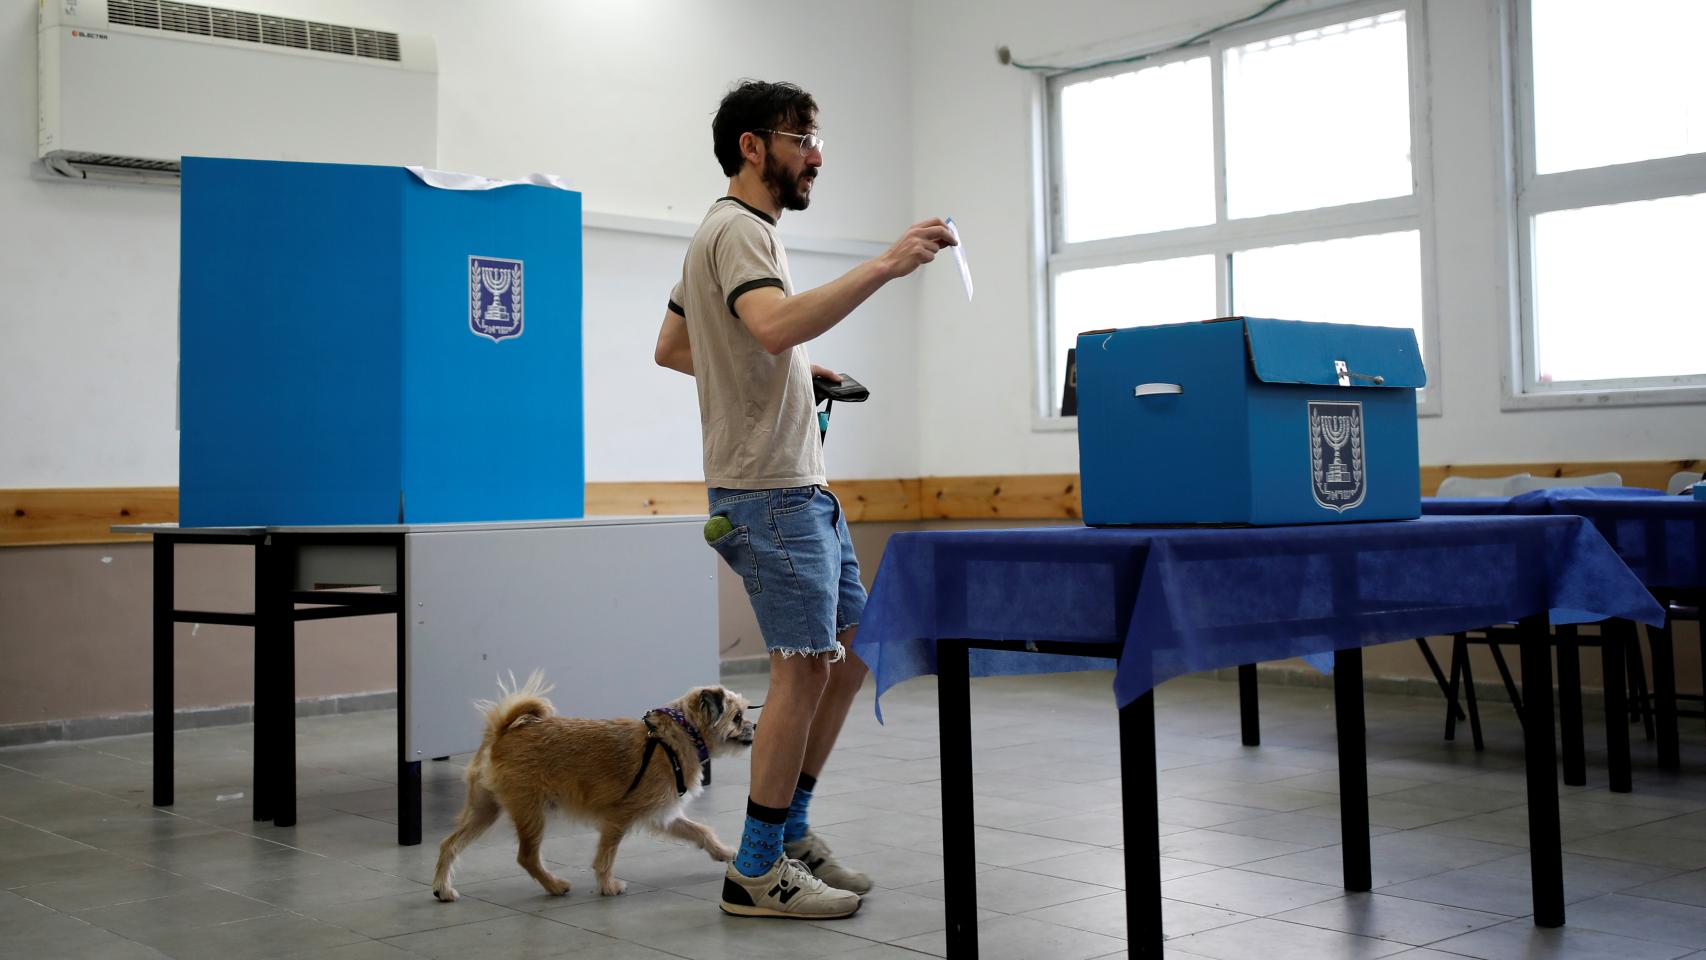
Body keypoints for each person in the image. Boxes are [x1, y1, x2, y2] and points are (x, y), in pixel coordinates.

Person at [653, 79, 954, 919]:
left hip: (797, 487)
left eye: (818, 139)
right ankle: (755, 869)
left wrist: (787, 368)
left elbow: (677, 345)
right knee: (802, 668)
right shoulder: (742, 229)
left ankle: (790, 831)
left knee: (854, 651)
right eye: (801, 138)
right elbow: (775, 323)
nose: (815, 154)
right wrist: (887, 264)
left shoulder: (716, 235)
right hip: (771, 492)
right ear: (753, 147)